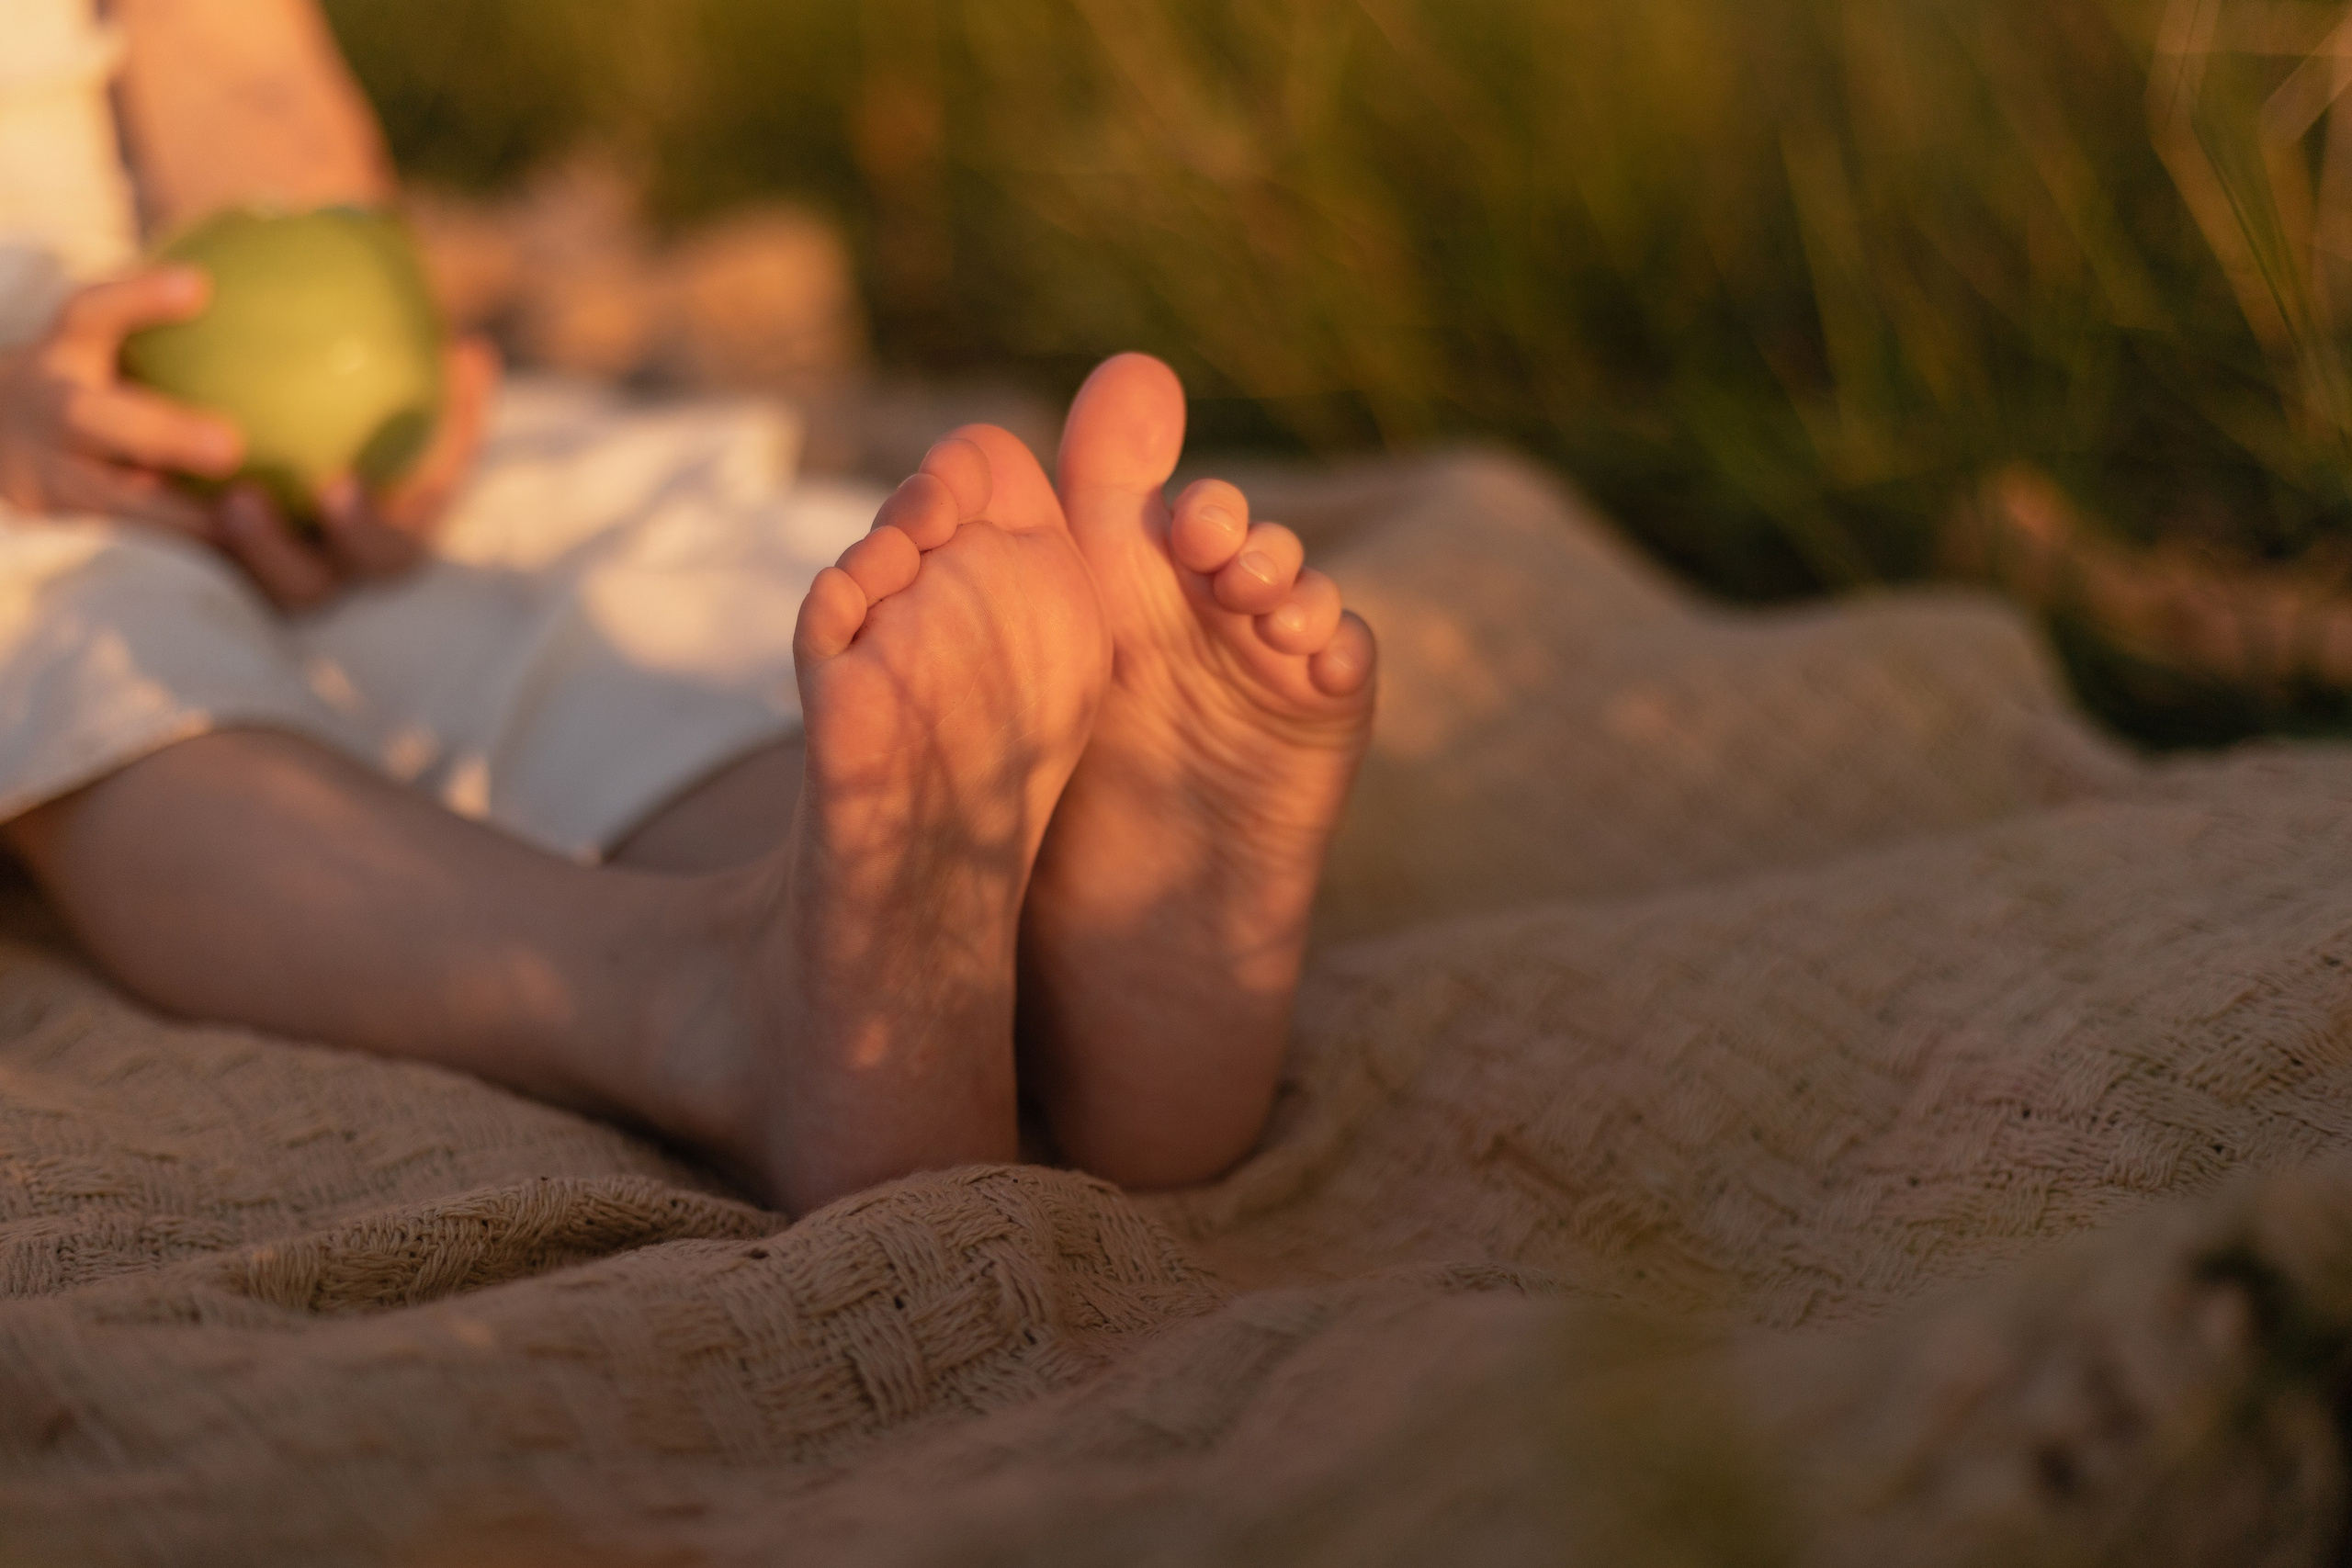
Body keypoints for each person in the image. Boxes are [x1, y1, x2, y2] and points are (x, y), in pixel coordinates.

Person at [0, 0, 1377, 1216]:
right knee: (113, 699)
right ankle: (700, 1000)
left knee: (582, 582)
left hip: (180, 395)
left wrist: (363, 351)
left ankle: (1041, 949)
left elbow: (236, 70)